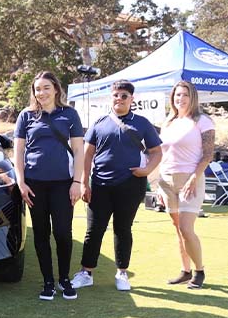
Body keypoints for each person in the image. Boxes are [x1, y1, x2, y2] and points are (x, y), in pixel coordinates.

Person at [70, 80, 163, 292]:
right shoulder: (100, 123)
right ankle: (86, 273)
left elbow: (157, 152)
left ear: (132, 99)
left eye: (124, 96)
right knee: (93, 231)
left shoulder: (142, 123)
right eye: (116, 95)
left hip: (131, 185)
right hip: (100, 186)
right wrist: (84, 182)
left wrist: (147, 171)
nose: (119, 99)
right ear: (110, 97)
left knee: (123, 229)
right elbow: (87, 154)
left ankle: (122, 272)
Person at [13, 72, 84, 300]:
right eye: (37, 89)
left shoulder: (70, 115)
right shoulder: (26, 116)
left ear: (55, 89)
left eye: (45, 88)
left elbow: (79, 151)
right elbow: (18, 152)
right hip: (34, 185)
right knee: (41, 234)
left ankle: (64, 279)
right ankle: (48, 282)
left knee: (63, 233)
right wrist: (21, 182)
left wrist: (77, 182)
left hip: (64, 185)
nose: (41, 93)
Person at [157, 81, 214, 289]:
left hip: (191, 179)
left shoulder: (203, 121)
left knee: (186, 228)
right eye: (177, 95)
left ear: (193, 98)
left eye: (184, 95)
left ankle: (199, 271)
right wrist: (157, 185)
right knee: (177, 229)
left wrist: (193, 177)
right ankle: (185, 270)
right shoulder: (169, 122)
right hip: (166, 180)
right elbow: (162, 154)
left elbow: (208, 155)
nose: (180, 99)